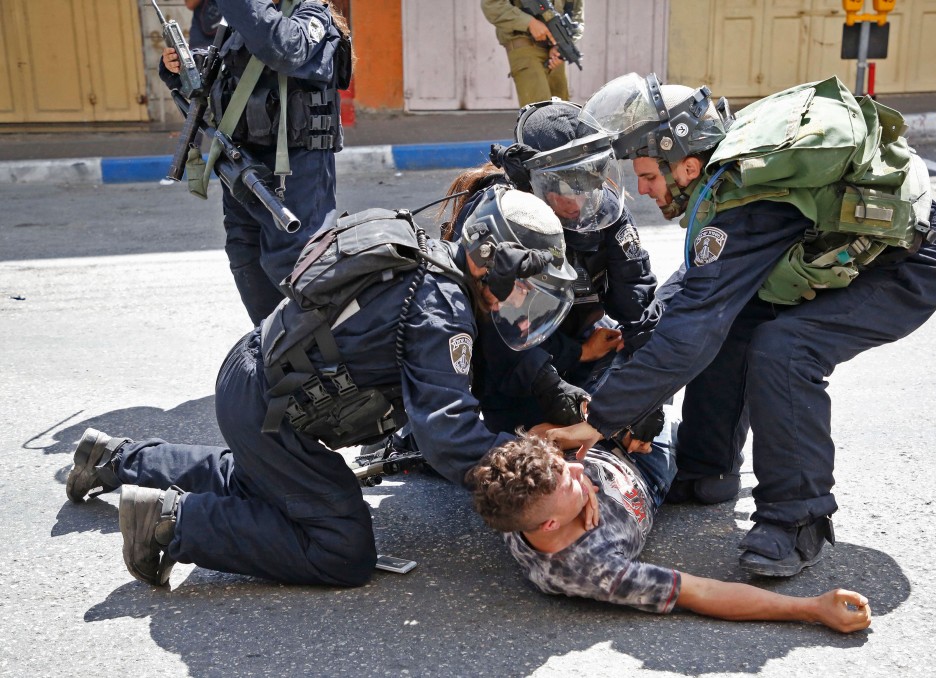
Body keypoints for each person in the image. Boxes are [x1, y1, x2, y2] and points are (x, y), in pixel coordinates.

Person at [548, 73, 936, 577]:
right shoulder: (728, 178)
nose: (642, 189)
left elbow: (691, 331)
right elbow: (692, 298)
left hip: (908, 262)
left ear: (686, 162)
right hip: (849, 248)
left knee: (785, 347)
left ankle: (798, 520)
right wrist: (631, 389)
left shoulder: (747, 200)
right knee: (725, 315)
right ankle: (707, 469)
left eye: (649, 176)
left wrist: (600, 418)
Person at [64, 188, 577, 588]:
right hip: (270, 405)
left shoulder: (440, 270)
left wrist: (563, 400)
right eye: (526, 285)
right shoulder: (444, 312)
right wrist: (543, 469)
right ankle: (173, 524)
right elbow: (448, 435)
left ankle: (113, 458)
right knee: (342, 550)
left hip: (258, 387)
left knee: (259, 482)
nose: (525, 300)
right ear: (493, 262)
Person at [467, 434, 872, 633]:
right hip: (653, 469)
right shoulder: (593, 570)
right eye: (570, 484)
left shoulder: (513, 498)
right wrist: (810, 608)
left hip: (612, 436)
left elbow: (535, 443)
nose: (578, 470)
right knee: (714, 474)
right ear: (551, 525)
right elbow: (702, 593)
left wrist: (582, 443)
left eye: (565, 467)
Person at [437, 99, 662, 438]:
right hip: (516, 363)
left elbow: (638, 300)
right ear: (531, 182)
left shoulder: (604, 210)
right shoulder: (500, 217)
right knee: (545, 439)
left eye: (587, 183)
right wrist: (558, 379)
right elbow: (497, 331)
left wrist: (645, 393)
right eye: (564, 188)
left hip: (583, 335)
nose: (578, 202)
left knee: (630, 420)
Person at [161, 0, 352, 325]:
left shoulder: (312, 15)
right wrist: (181, 67)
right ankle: (275, 350)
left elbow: (283, 48)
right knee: (245, 257)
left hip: (294, 178)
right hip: (243, 168)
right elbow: (222, 74)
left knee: (298, 270)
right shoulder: (245, 19)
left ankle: (321, 360)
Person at [481, 0, 584, 107]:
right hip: (524, 42)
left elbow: (576, 15)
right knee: (539, 112)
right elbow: (491, 5)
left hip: (555, 48)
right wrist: (529, 23)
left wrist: (562, 46)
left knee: (562, 111)